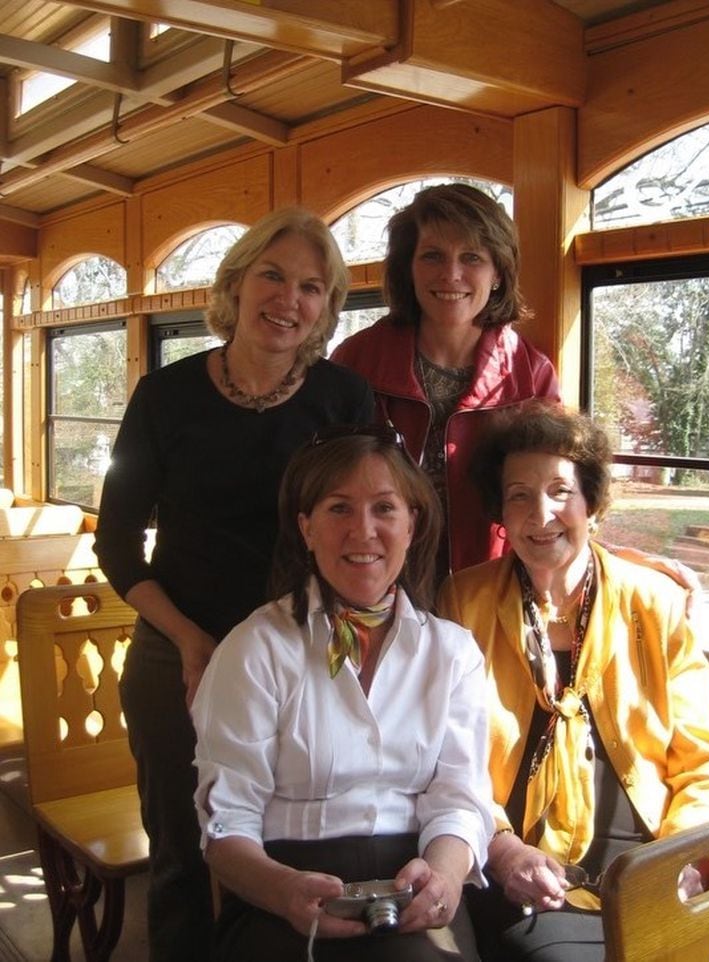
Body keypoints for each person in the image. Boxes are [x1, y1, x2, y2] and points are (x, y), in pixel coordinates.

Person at [93, 208, 374, 962]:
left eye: (312, 288)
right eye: (273, 276)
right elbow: (115, 542)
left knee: (291, 848)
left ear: (326, 307)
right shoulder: (166, 396)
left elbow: (370, 528)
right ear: (237, 283)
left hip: (304, 653)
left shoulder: (344, 402)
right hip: (177, 648)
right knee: (182, 853)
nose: (289, 299)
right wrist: (191, 642)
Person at [436, 401, 709, 962]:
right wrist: (502, 851)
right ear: (500, 512)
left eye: (560, 491)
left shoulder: (655, 602)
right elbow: (449, 759)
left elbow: (703, 763)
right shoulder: (464, 601)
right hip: (528, 868)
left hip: (652, 860)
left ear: (592, 504)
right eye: (518, 495)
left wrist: (682, 859)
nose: (540, 513)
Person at [191, 425, 495, 962]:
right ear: (306, 529)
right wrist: (282, 891)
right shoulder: (255, 649)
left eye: (384, 508)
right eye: (338, 509)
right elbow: (225, 824)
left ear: (413, 525)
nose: (363, 531)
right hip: (281, 884)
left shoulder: (453, 653)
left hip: (415, 877)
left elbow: (460, 799)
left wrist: (445, 878)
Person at [331, 183, 560, 581]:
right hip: (375, 579)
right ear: (409, 269)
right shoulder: (357, 361)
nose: (451, 274)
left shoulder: (531, 374)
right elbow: (328, 485)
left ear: (498, 275)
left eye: (471, 257)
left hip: (487, 585)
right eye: (432, 256)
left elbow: (556, 493)